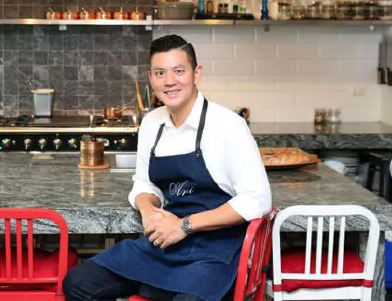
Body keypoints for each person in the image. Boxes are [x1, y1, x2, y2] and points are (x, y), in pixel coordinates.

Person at [63, 34, 272, 301]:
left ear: (196, 74)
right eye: (160, 73)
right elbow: (144, 183)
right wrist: (148, 210)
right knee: (79, 283)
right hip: (163, 245)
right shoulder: (152, 124)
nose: (169, 81)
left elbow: (257, 199)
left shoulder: (228, 126)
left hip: (215, 250)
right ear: (151, 78)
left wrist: (184, 226)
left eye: (179, 71)